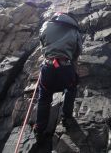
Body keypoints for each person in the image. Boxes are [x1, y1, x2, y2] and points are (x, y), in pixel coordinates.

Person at [34, 12, 82, 149]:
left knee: (44, 98)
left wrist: (48, 53)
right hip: (65, 67)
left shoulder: (46, 25)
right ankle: (66, 117)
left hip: (48, 66)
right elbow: (78, 50)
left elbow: (42, 42)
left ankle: (39, 128)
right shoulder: (74, 30)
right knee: (71, 89)